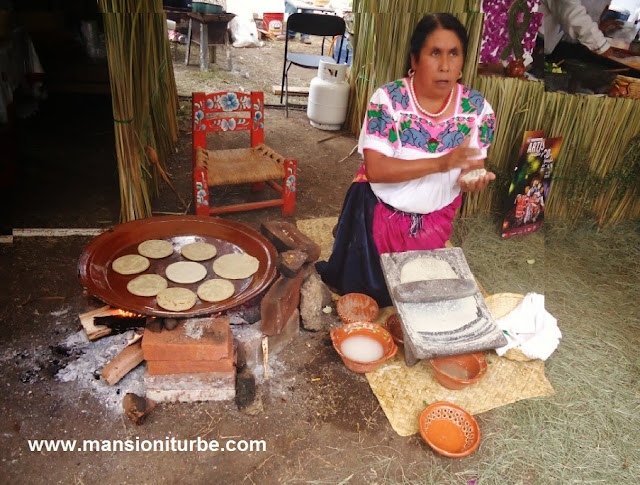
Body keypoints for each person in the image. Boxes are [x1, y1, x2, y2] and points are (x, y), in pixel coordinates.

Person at [316, 13, 496, 307]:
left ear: (463, 63)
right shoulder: (388, 101)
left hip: (435, 219)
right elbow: (375, 170)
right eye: (434, 53)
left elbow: (469, 167)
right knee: (370, 298)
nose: (445, 65)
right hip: (378, 214)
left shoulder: (477, 110)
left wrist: (472, 179)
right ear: (415, 60)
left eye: (454, 54)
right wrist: (440, 163)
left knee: (416, 296)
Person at [540, 0, 623, 57]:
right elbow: (572, 13)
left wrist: (600, 28)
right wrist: (601, 45)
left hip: (569, 43)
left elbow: (597, 14)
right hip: (538, 38)